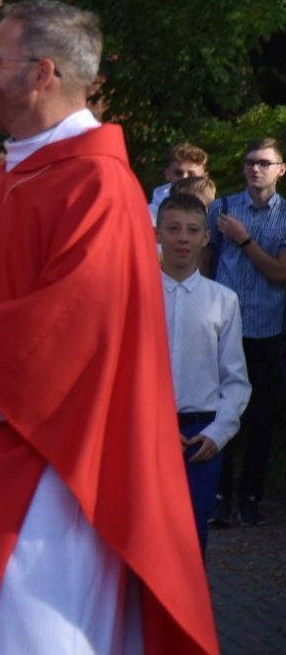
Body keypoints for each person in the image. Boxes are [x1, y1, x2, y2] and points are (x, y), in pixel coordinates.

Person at [0, 0, 217, 653]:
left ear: (42, 74)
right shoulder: (2, 180)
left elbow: (72, 327)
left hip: (49, 486)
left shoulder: (97, 185)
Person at [157, 193, 251, 555]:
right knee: (144, 537)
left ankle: (188, 613)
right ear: (158, 233)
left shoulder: (223, 300)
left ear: (205, 238)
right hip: (148, 430)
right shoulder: (139, 294)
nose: (183, 238)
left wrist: (219, 432)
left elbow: (235, 380)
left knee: (191, 540)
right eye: (174, 228)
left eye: (193, 230)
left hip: (201, 438)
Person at [205, 136, 286, 527]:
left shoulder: (285, 217)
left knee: (261, 418)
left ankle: (251, 497)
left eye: (265, 163)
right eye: (251, 162)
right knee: (222, 414)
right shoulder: (221, 209)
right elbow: (205, 265)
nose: (256, 168)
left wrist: (245, 239)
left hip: (267, 332)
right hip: (222, 330)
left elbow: (279, 274)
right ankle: (219, 497)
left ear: (280, 170)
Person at [149, 142, 209, 225]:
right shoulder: (147, 215)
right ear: (167, 174)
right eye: (178, 173)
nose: (184, 178)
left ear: (204, 178)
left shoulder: (216, 213)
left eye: (191, 174)